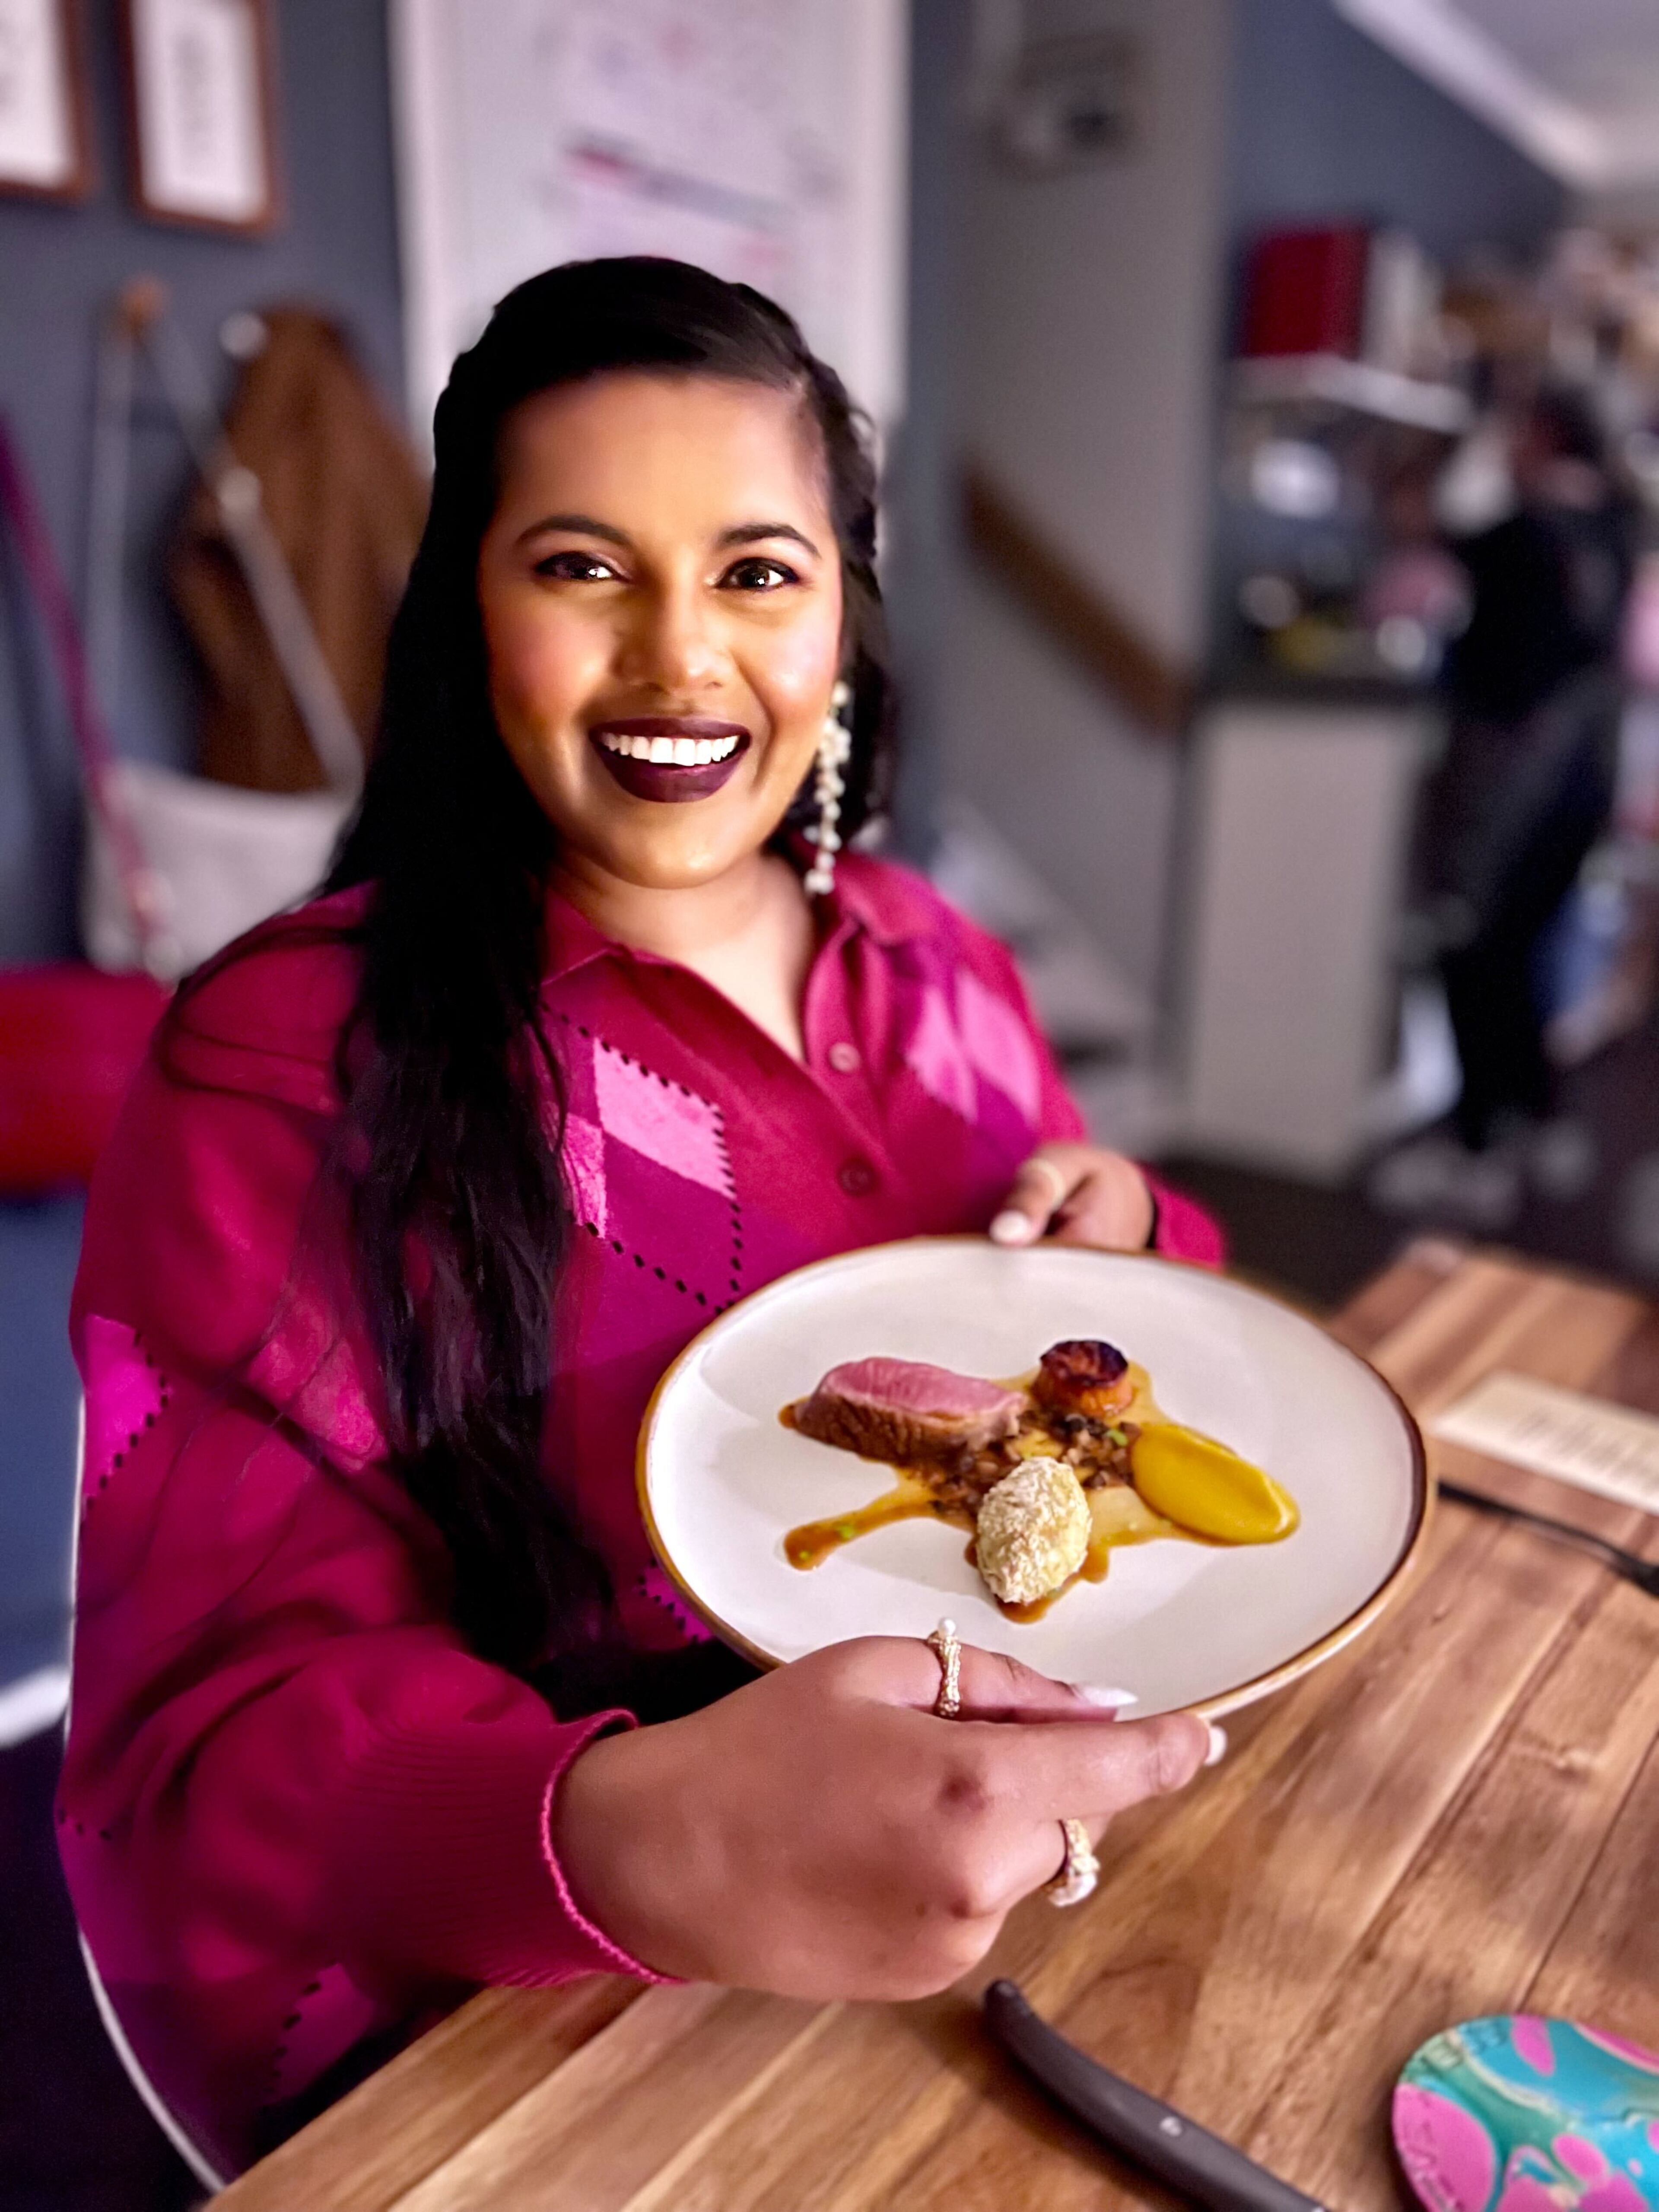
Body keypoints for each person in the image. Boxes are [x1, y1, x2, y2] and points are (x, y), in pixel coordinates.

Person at [60, 259, 1223, 2177]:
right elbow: (192, 1765)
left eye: (759, 571)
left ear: (844, 617)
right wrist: (645, 1829)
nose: (683, 661)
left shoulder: (945, 975)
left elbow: (1069, 1375)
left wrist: (1135, 1237)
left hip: (1037, 1954)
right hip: (567, 2059)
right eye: (586, 567)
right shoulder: (277, 1069)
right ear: (467, 619)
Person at [1379, 386, 1635, 1224]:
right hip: (1584, 779)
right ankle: (1540, 1124)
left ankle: (1479, 1146)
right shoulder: (1620, 524)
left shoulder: (1525, 527)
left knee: (1474, 948)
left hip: (1510, 783)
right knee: (1524, 951)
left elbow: (1419, 520)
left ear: (1543, 434)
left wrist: (1460, 446)